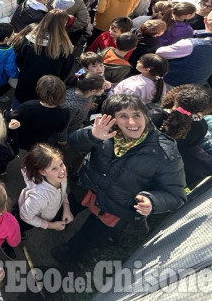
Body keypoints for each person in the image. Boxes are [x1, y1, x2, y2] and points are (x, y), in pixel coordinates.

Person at [51, 95, 186, 265]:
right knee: (70, 206)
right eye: (123, 116)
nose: (132, 122)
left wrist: (152, 201)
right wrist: (92, 135)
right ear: (112, 119)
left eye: (137, 115)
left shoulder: (165, 154)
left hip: (116, 207)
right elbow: (73, 143)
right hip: (88, 187)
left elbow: (176, 195)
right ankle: (56, 222)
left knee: (89, 235)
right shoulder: (105, 130)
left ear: (145, 115)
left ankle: (67, 255)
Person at [157, 8, 212, 86]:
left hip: (172, 83)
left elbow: (160, 52)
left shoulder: (191, 44)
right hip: (196, 86)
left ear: (205, 20)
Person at [13, 10, 75, 104]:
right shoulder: (66, 47)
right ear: (63, 24)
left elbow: (19, 60)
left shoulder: (29, 40)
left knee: (17, 109)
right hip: (47, 90)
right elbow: (65, 72)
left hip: (25, 84)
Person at [16, 144, 72, 244]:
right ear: (43, 172)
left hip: (37, 213)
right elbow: (25, 216)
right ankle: (9, 240)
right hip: (27, 217)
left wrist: (66, 206)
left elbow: (62, 192)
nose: (62, 170)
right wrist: (51, 225)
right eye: (54, 168)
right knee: (19, 227)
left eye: (61, 164)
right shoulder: (39, 197)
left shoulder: (60, 176)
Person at [7, 75, 70, 149]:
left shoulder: (29, 106)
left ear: (39, 91)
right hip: (40, 141)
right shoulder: (64, 112)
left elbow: (12, 117)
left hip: (22, 138)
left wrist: (7, 112)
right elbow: (60, 129)